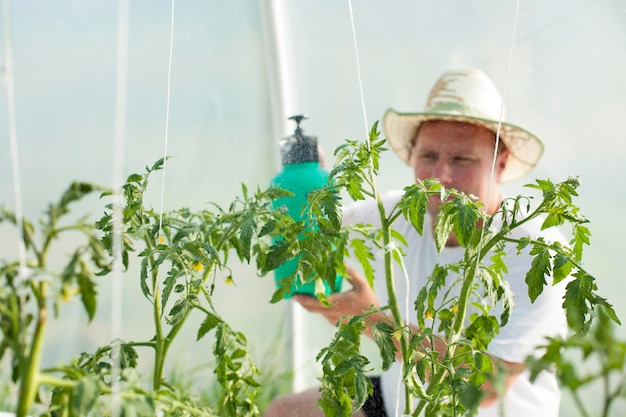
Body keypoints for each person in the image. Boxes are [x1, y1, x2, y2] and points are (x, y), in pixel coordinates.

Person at [263, 68, 568, 417]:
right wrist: (307, 188)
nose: (441, 177)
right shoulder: (399, 214)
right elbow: (314, 232)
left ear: (500, 164)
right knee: (286, 412)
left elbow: (483, 386)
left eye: (461, 159)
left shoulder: (536, 254)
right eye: (428, 157)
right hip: (403, 401)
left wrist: (371, 320)